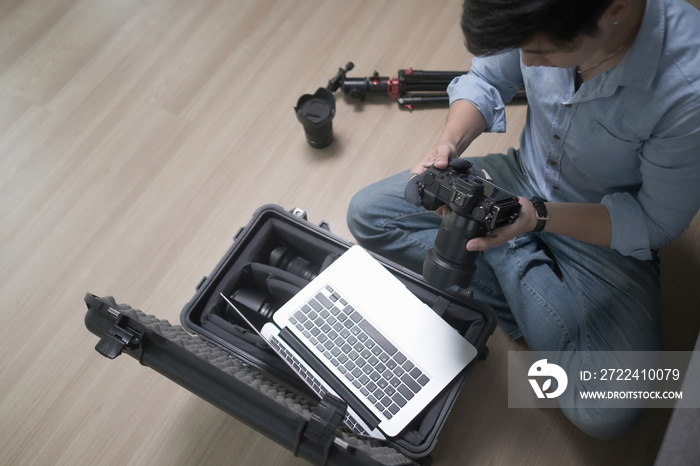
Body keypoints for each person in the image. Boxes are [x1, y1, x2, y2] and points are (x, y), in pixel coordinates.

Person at [346, 0, 700, 439]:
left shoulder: (689, 89)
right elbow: (487, 78)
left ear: (617, 9)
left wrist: (531, 221)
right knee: (369, 215)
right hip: (518, 178)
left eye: (544, 54)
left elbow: (655, 222)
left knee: (610, 411)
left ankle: (505, 250)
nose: (526, 62)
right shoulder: (536, 13)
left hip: (602, 222)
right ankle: (511, 254)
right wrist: (447, 146)